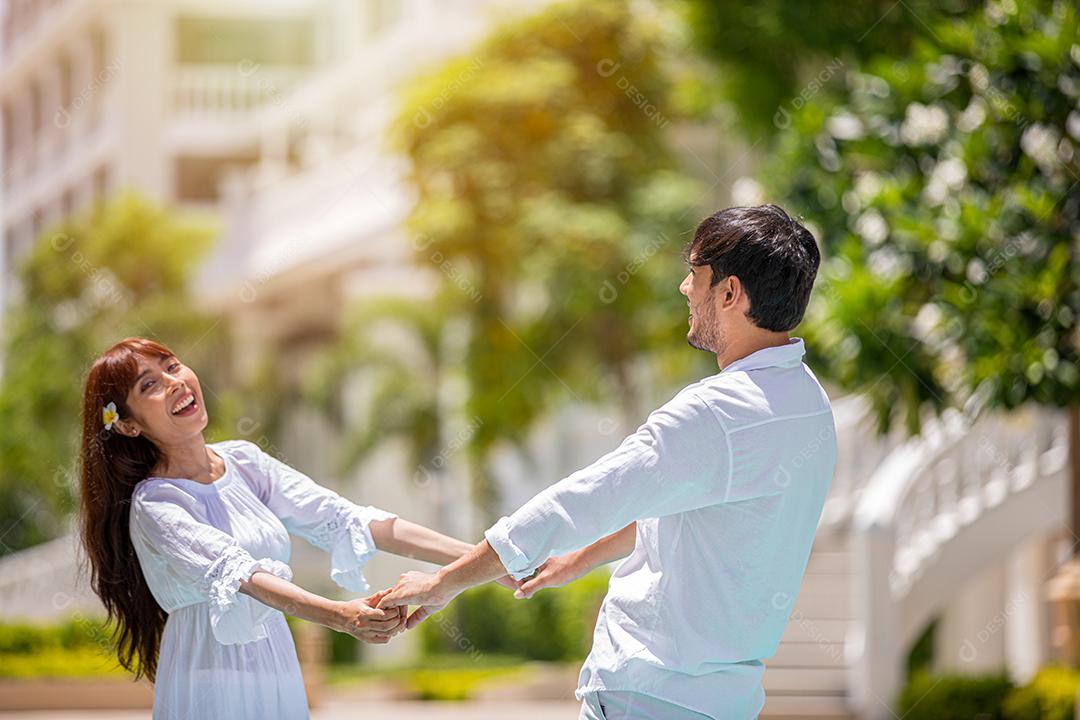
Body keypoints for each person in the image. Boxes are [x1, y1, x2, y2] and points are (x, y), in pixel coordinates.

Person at [379, 204, 837, 720]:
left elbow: (585, 498)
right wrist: (579, 559)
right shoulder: (809, 405)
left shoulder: (715, 413)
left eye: (695, 273)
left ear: (729, 292)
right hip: (723, 702)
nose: (685, 288)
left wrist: (443, 583)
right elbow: (690, 511)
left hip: (648, 696)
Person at [78, 336, 487, 720]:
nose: (174, 382)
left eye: (172, 366)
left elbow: (348, 519)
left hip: (274, 662)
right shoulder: (156, 502)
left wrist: (486, 560)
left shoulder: (245, 463)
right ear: (128, 425)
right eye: (149, 384)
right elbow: (241, 575)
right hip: (209, 672)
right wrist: (340, 615)